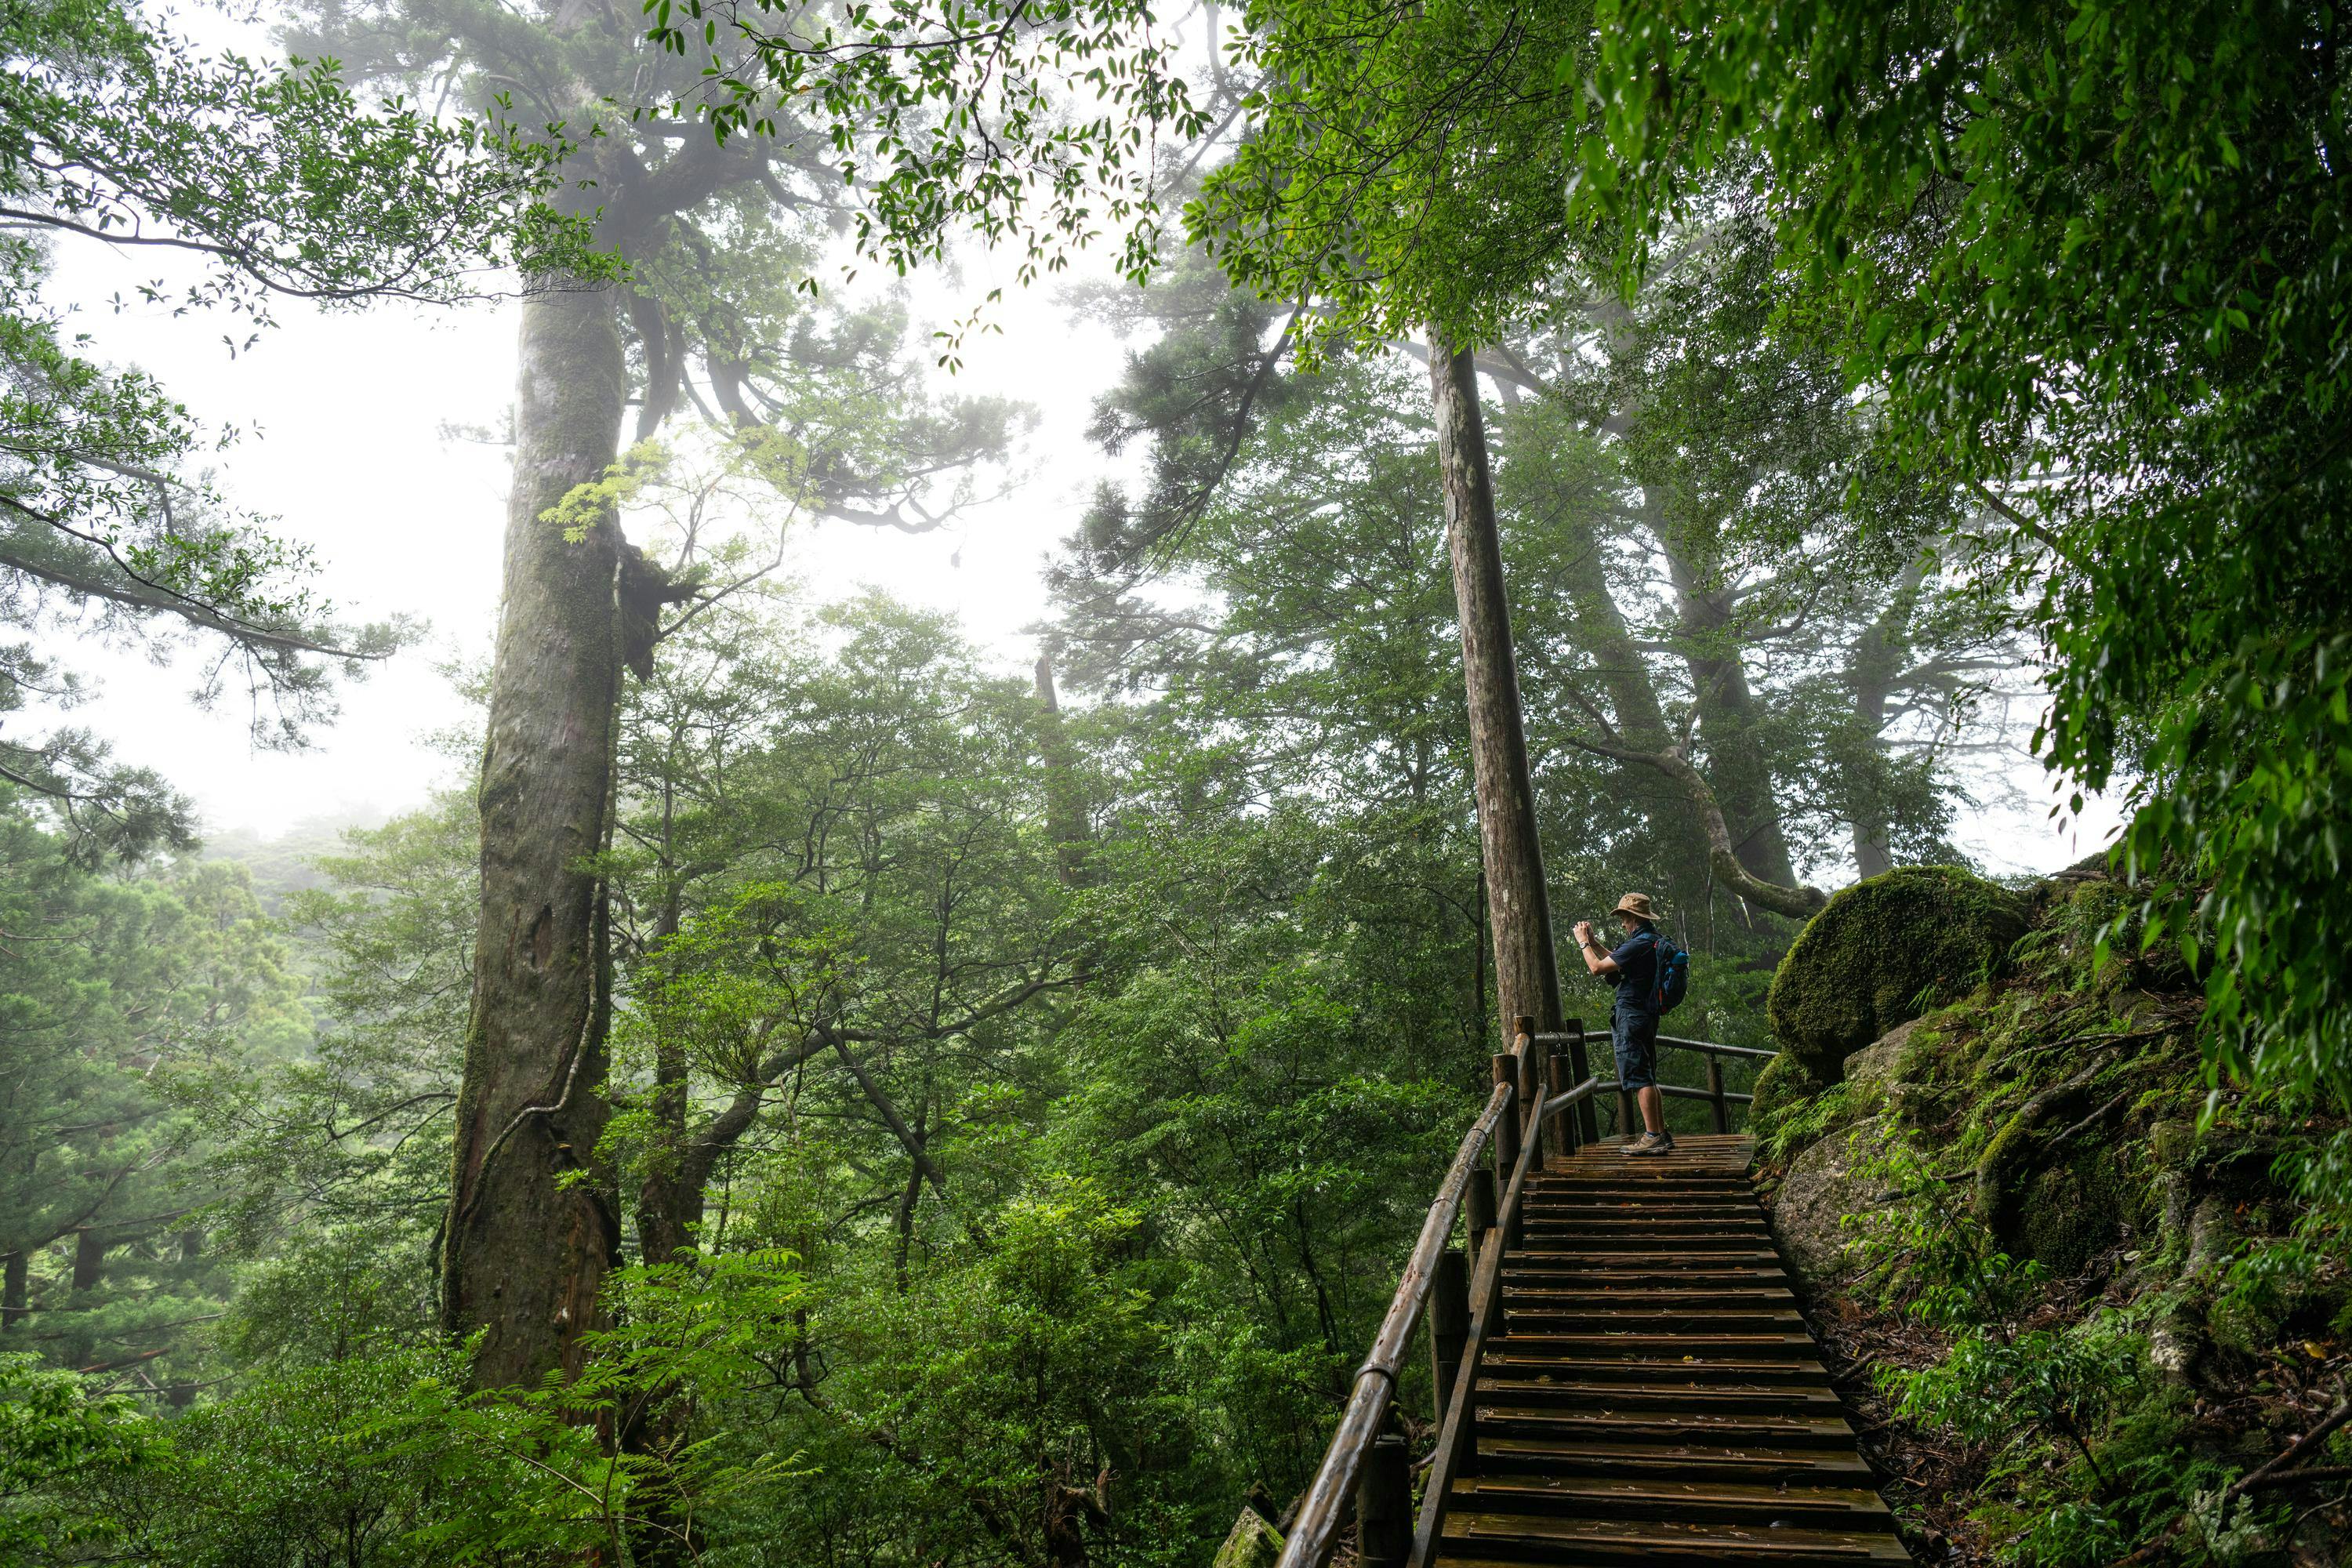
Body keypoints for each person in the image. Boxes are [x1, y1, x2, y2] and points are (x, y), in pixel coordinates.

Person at [1573, 893, 1671, 1156]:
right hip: (1647, 1015)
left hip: (1632, 1015)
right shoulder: (1653, 941)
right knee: (1648, 1074)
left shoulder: (1639, 943)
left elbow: (1597, 968)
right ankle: (1660, 1133)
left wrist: (1583, 944)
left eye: (1625, 918)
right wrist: (1594, 942)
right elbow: (1616, 959)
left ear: (1635, 918)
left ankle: (1652, 1136)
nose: (1623, 924)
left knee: (1639, 1077)